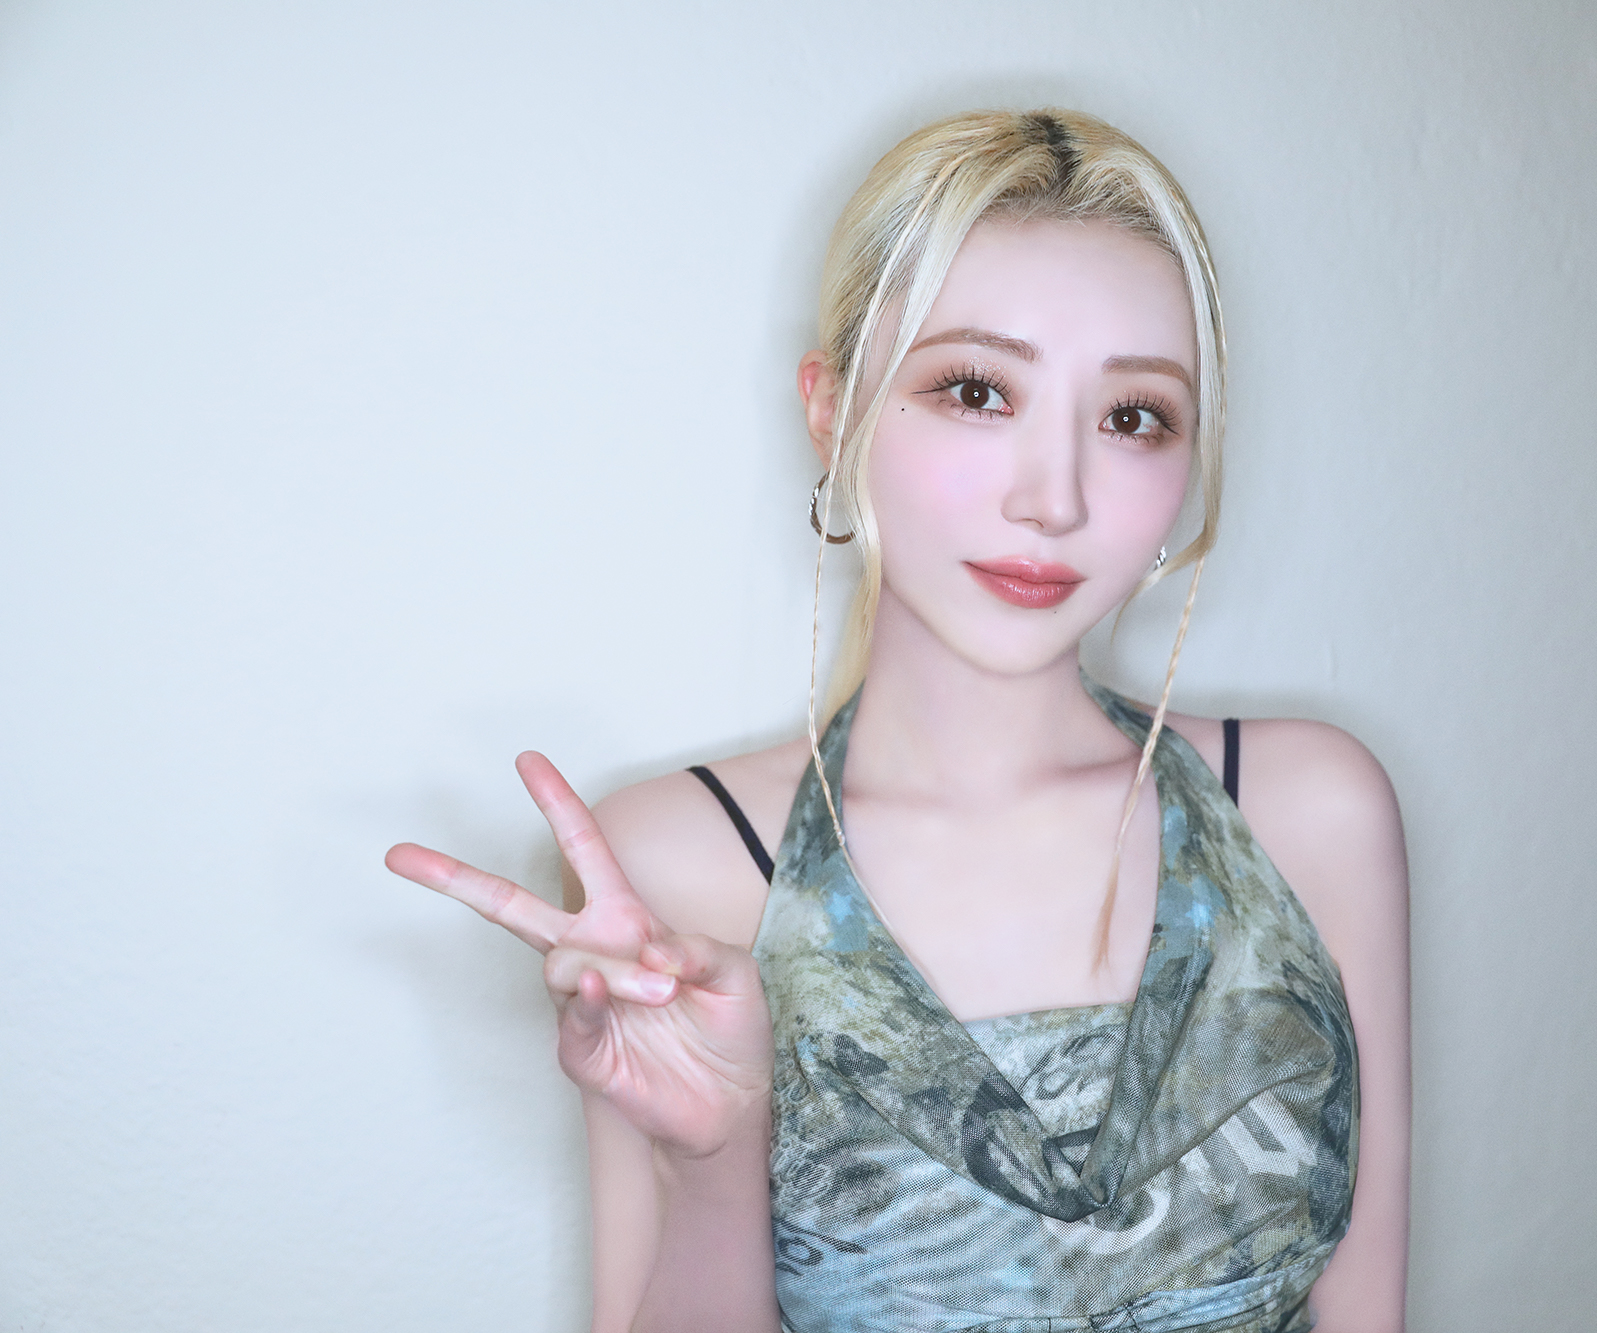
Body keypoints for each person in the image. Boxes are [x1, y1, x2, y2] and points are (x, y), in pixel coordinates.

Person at [387, 108, 1410, 1333]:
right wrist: (713, 1161)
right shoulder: (682, 861)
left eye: (1132, 415)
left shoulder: (1307, 813)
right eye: (976, 391)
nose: (1054, 498)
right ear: (831, 413)